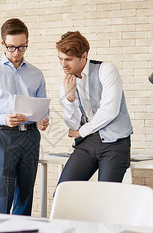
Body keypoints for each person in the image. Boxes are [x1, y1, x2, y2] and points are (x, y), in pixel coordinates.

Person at [0, 18, 49, 215]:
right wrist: (3, 119)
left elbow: (42, 107)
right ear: (3, 44)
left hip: (31, 136)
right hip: (4, 136)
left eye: (22, 47)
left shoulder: (36, 74)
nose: (16, 53)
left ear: (27, 43)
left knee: (25, 193)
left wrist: (42, 119)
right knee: (2, 192)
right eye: (12, 47)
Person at [56, 31, 132, 184]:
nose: (63, 65)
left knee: (105, 196)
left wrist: (82, 131)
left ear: (83, 56)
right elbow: (72, 125)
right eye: (60, 59)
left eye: (68, 59)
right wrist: (70, 99)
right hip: (87, 144)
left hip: (115, 142)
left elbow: (109, 111)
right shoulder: (66, 84)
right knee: (64, 191)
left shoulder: (106, 70)